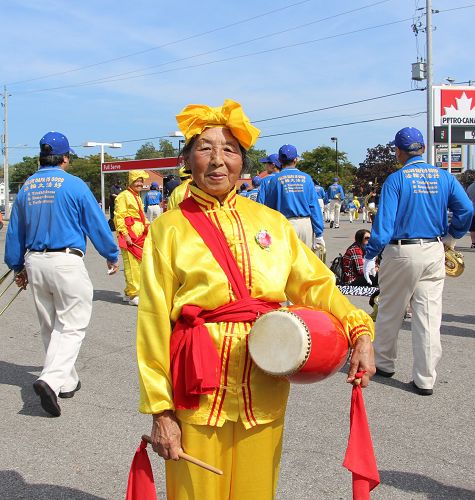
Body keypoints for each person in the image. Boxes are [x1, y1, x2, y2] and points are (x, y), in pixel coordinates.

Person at [136, 99, 375, 500]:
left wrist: (359, 330)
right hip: (195, 385)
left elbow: (317, 286)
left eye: (229, 149)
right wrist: (161, 410)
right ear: (187, 160)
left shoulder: (272, 224)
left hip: (263, 382)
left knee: (256, 491)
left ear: (242, 163)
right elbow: (153, 322)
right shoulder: (168, 230)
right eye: (205, 148)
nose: (217, 160)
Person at [4, 131, 119, 417]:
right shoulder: (75, 185)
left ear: (41, 157)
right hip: (66, 260)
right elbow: (95, 222)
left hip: (35, 261)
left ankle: (67, 382)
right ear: (65, 157)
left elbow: (15, 232)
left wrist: (17, 266)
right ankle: (51, 380)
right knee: (72, 324)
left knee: (51, 324)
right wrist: (111, 253)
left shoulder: (28, 187)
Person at [363, 127, 473, 396]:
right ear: (422, 148)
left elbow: (385, 224)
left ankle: (385, 363)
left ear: (399, 151)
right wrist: (452, 235)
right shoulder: (445, 177)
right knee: (428, 316)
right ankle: (425, 378)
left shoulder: (396, 179)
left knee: (390, 310)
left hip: (401, 251)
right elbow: (467, 209)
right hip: (433, 249)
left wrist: (370, 254)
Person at [264, 144, 325, 250]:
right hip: (305, 224)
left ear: (279, 160)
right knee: (305, 262)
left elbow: (269, 208)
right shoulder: (306, 178)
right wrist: (319, 233)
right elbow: (314, 206)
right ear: (296, 159)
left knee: (287, 262)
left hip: (285, 224)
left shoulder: (275, 180)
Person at [114, 170, 150, 306]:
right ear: (131, 181)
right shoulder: (124, 196)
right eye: (137, 181)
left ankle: (130, 292)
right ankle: (134, 293)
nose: (140, 183)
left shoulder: (137, 196)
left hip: (139, 234)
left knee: (139, 264)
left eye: (141, 181)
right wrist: (125, 234)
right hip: (130, 234)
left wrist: (148, 227)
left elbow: (141, 215)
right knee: (131, 265)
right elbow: (119, 216)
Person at [466, 179, 475, 248]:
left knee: (473, 229)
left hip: (473, 210)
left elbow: (467, 198)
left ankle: (473, 243)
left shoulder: (470, 187)